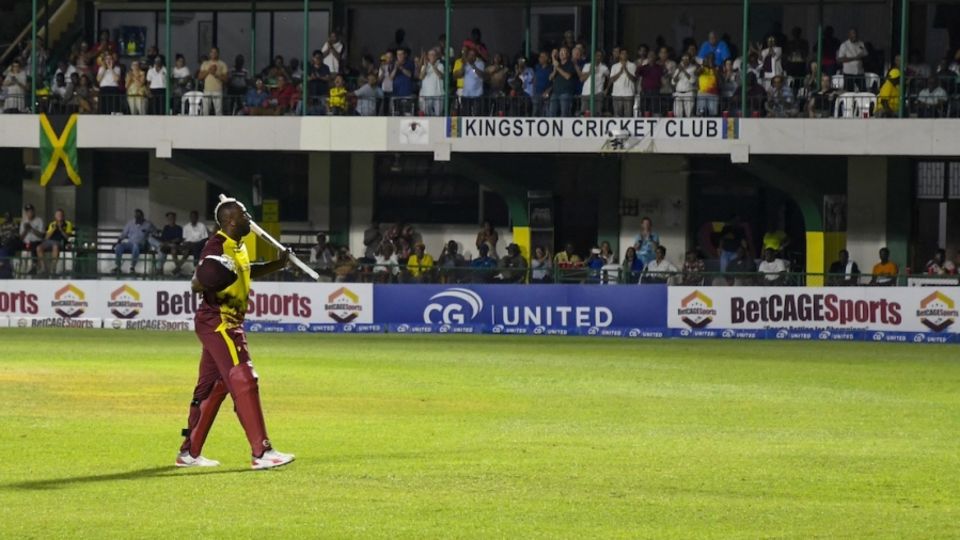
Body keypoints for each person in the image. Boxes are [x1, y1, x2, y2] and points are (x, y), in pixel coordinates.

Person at [177, 198, 294, 470]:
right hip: (221, 322)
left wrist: (277, 265)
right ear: (230, 221)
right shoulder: (215, 247)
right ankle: (262, 452)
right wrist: (200, 282)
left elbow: (245, 271)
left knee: (212, 388)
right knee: (244, 376)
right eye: (243, 214)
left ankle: (189, 453)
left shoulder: (238, 246)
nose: (248, 218)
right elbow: (199, 279)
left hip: (223, 321)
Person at [114, 209, 156, 274]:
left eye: (139, 217)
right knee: (119, 246)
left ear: (142, 217)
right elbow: (124, 233)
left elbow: (155, 233)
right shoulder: (130, 223)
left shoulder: (148, 224)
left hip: (141, 244)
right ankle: (118, 267)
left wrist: (149, 235)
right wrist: (118, 241)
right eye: (136, 217)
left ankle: (132, 267)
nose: (137, 219)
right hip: (130, 243)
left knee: (136, 245)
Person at [35, 209, 74, 276]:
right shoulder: (52, 224)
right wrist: (53, 229)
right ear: (55, 216)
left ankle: (53, 268)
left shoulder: (68, 224)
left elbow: (67, 237)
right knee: (39, 247)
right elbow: (46, 237)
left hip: (60, 242)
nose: (59, 216)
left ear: (63, 216)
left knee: (55, 246)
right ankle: (43, 268)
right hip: (49, 242)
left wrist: (61, 230)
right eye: (58, 215)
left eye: (61, 215)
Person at [198, 47, 229, 116]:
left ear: (218, 53)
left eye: (215, 52)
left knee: (218, 111)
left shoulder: (222, 64)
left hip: (217, 90)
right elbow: (200, 77)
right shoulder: (205, 64)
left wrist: (215, 74)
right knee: (205, 111)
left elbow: (226, 79)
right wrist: (209, 71)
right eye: (212, 52)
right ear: (210, 53)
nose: (213, 54)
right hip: (207, 90)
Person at [19, 204, 44, 274]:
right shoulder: (23, 221)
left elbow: (41, 235)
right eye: (27, 211)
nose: (29, 213)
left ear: (33, 211)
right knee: (14, 244)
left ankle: (34, 266)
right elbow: (21, 237)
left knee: (34, 245)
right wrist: (26, 230)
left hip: (36, 242)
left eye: (31, 211)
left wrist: (31, 229)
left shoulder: (39, 220)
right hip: (25, 242)